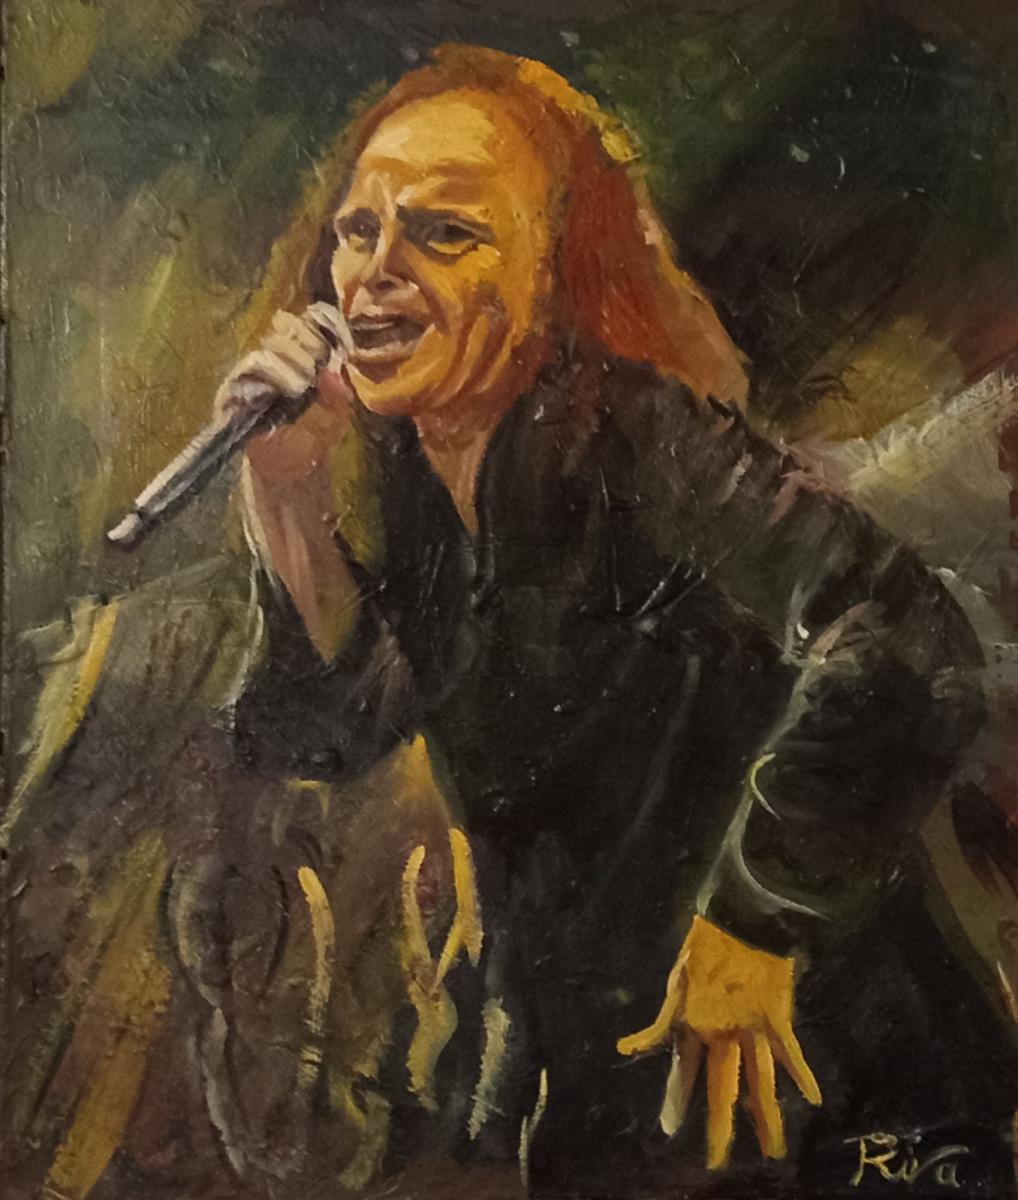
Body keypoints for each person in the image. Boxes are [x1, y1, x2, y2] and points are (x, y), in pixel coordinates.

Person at [5, 42, 1014, 1200]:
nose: (374, 274)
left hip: (817, 1060)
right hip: (616, 1074)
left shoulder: (642, 441)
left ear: (548, 276)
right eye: (359, 230)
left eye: (444, 233)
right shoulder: (407, 469)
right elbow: (333, 732)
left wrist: (759, 917)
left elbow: (906, 638)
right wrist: (286, 495)